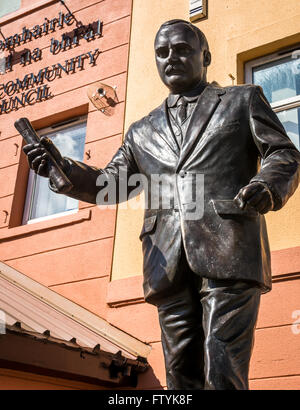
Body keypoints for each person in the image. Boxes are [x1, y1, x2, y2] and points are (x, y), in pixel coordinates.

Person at [23, 19, 300, 390]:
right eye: (162, 52)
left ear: (206, 55)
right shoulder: (142, 129)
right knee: (179, 375)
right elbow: (111, 185)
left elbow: (283, 153)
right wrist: (62, 167)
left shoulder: (241, 100)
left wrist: (267, 185)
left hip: (229, 247)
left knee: (223, 368)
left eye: (182, 49)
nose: (171, 57)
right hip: (165, 259)